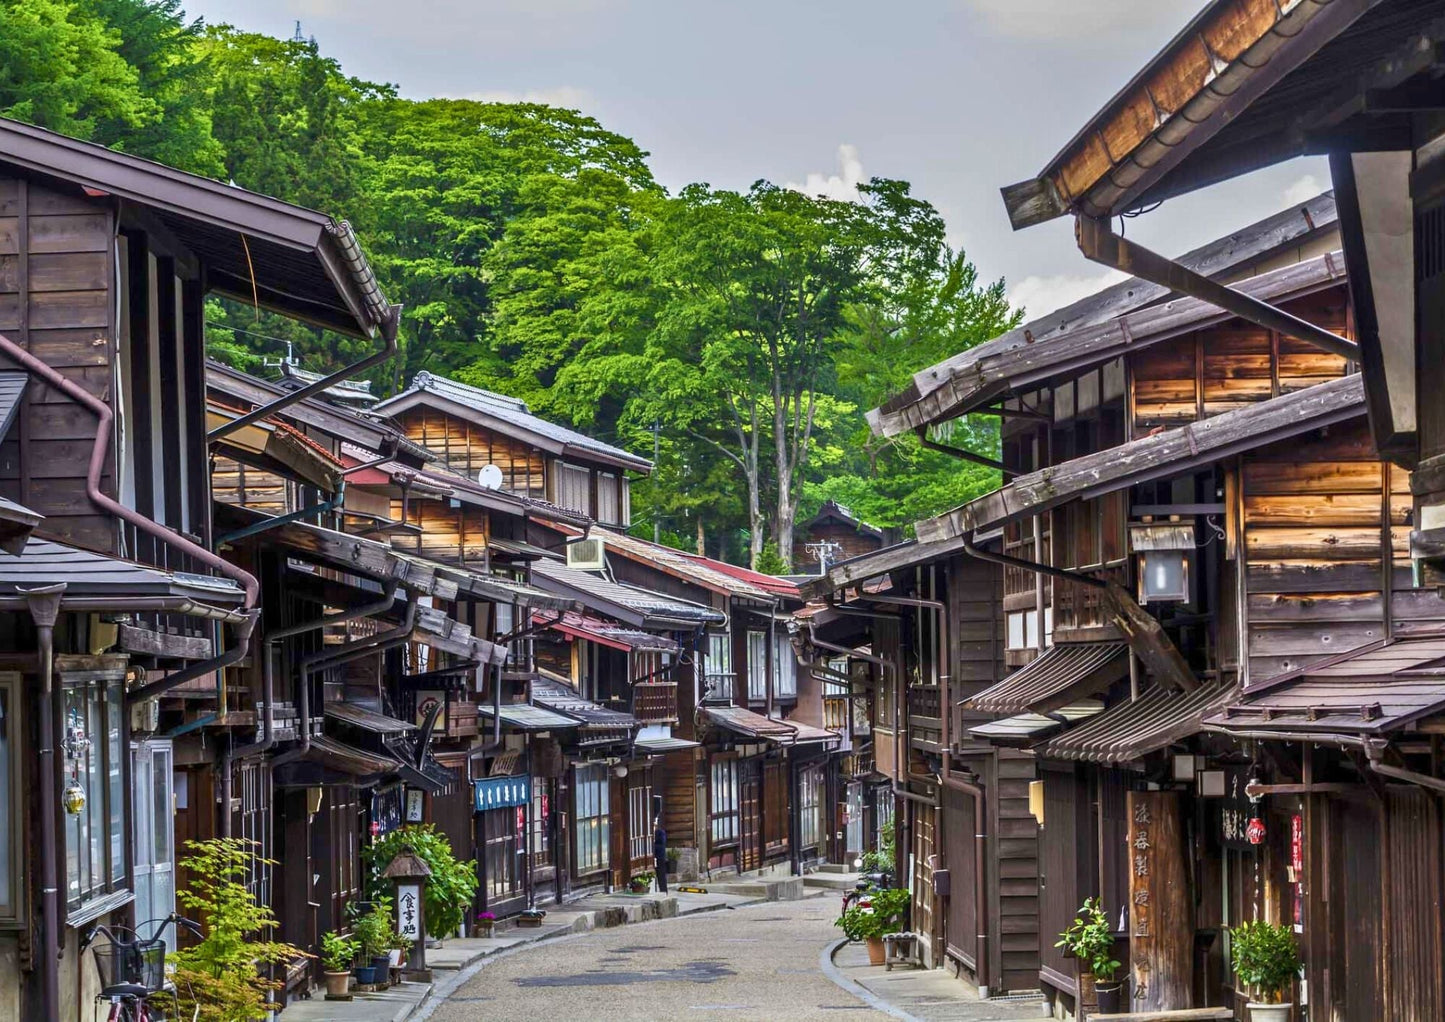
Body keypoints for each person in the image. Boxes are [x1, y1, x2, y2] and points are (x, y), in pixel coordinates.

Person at [653, 815, 668, 893]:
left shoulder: (660, 833)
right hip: (653, 857)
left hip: (660, 857)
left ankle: (664, 891)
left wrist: (653, 845)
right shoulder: (651, 834)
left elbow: (662, 844)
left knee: (661, 875)